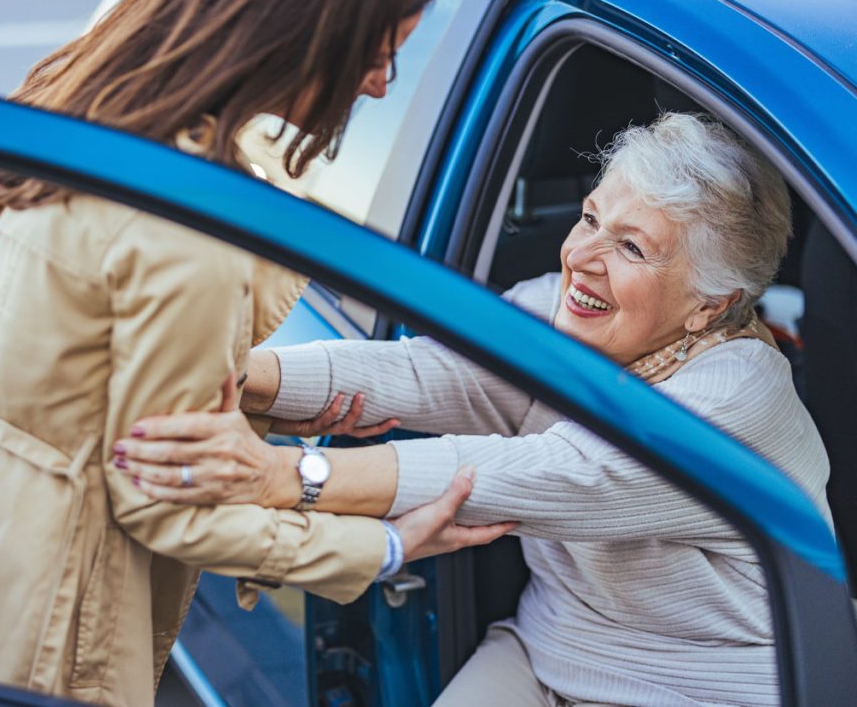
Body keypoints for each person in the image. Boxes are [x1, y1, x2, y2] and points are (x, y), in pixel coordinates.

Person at [0, 0, 516, 705]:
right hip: (37, 615)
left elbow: (72, 364)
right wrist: (390, 545)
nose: (380, 86)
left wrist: (263, 402)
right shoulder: (189, 224)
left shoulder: (85, 101)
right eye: (377, 56)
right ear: (298, 33)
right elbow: (166, 505)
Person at [114, 112, 835, 706]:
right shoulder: (564, 308)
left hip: (699, 689)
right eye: (590, 217)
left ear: (709, 304)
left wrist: (283, 475)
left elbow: (536, 473)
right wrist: (236, 373)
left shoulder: (737, 394)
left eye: (631, 247)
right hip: (547, 649)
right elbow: (430, 370)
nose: (582, 257)